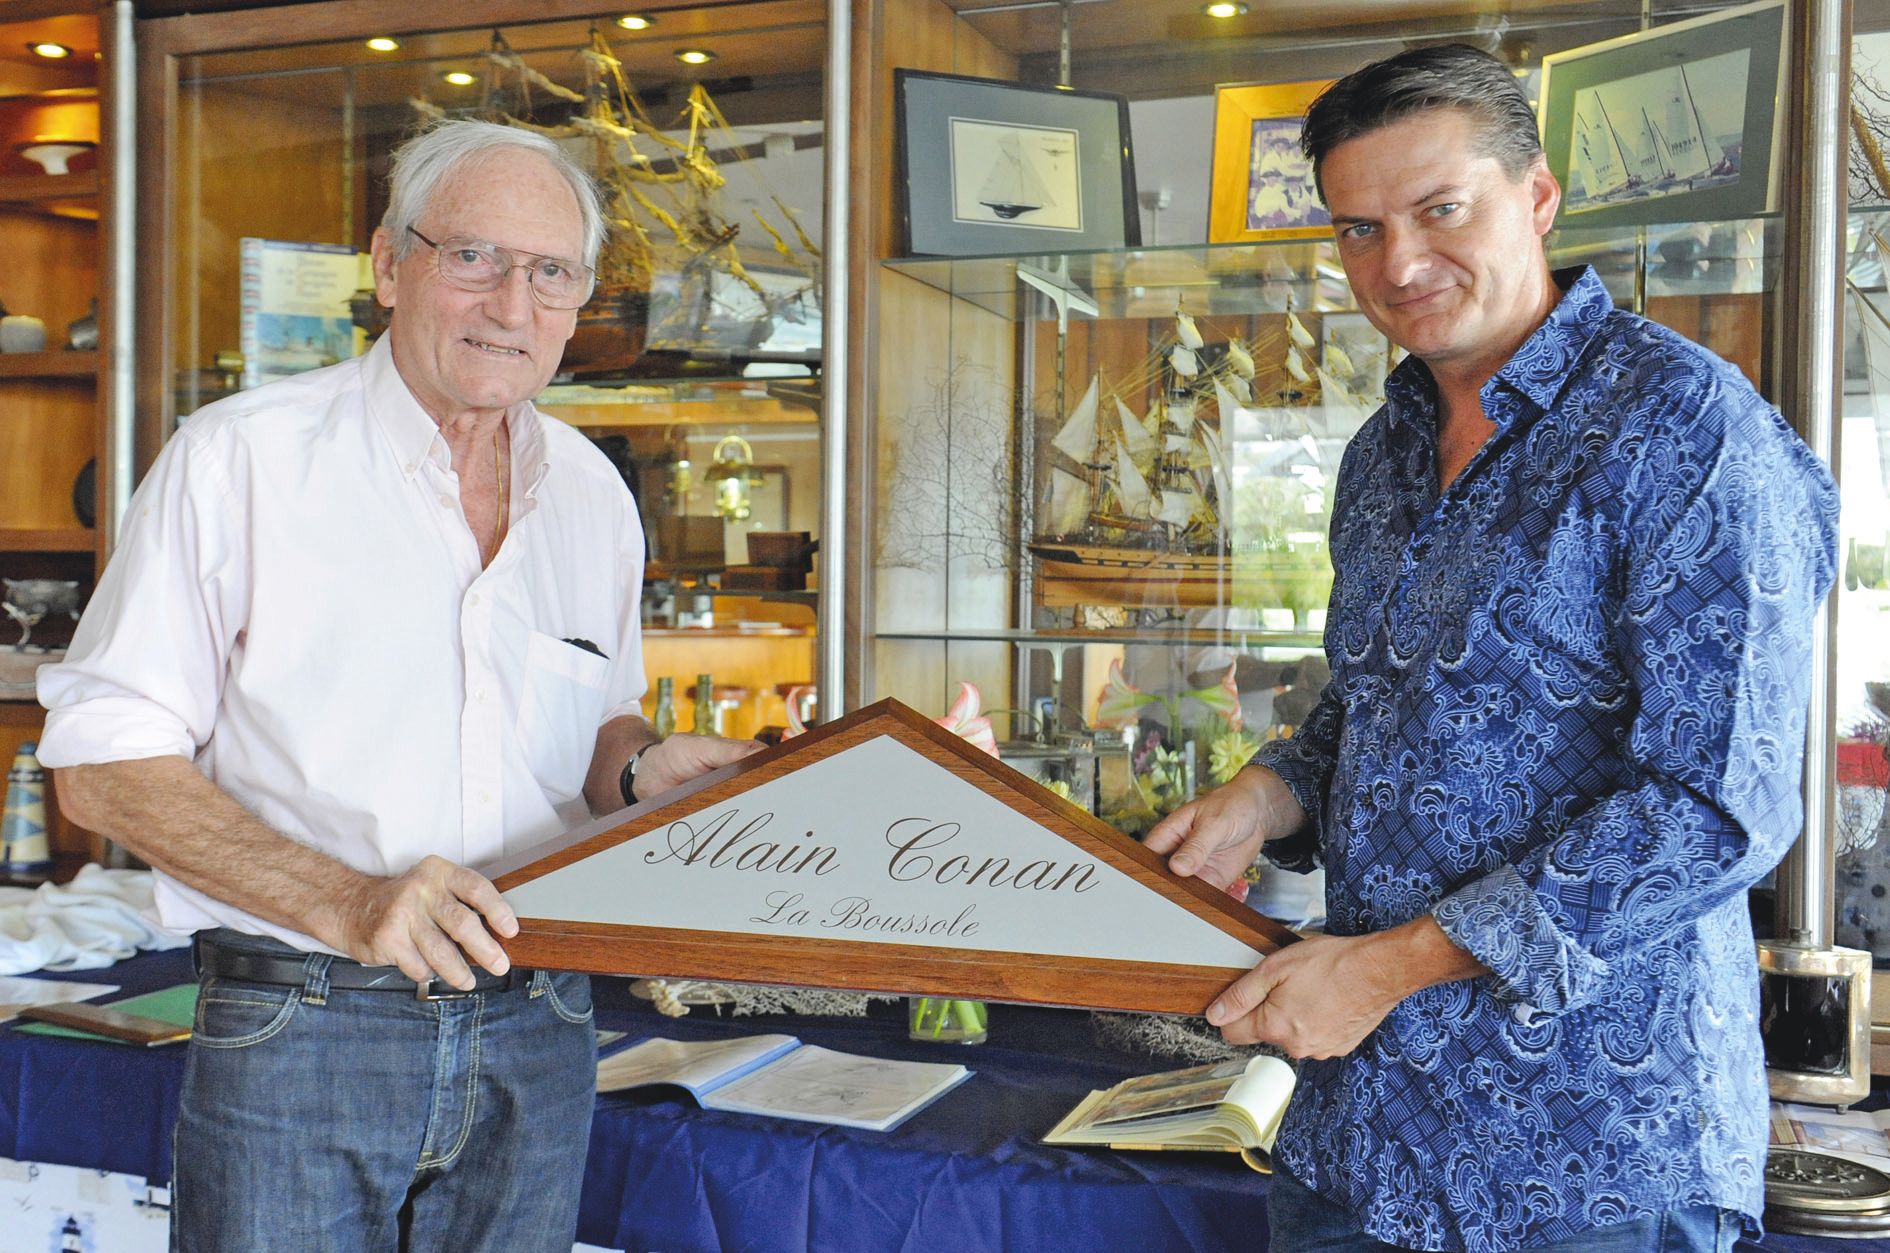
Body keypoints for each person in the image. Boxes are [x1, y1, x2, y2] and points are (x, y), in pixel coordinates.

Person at [1145, 44, 1839, 1253]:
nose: (1399, 263)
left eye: (1440, 209)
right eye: (1360, 229)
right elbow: (1376, 709)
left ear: (1538, 197)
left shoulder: (1691, 430)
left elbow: (1714, 805)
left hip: (1590, 1161)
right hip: (1357, 1140)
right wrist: (1272, 790)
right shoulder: (1379, 451)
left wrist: (1382, 969)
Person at [35, 119, 754, 1251]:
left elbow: (592, 723)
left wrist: (637, 763)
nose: (510, 305)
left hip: (543, 1013)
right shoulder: (239, 461)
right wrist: (352, 902)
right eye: (472, 256)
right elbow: (101, 768)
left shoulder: (594, 498)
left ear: (578, 302)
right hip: (303, 1021)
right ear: (388, 264)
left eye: (549, 272)